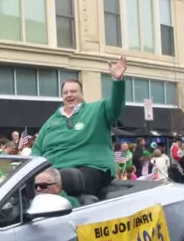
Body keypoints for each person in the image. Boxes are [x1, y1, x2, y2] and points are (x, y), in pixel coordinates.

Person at [31, 56, 128, 198]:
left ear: (82, 94)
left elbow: (115, 105)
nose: (69, 95)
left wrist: (117, 81)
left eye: (73, 91)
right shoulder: (52, 121)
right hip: (53, 172)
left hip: (89, 167)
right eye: (66, 92)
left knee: (68, 179)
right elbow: (37, 149)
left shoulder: (97, 110)